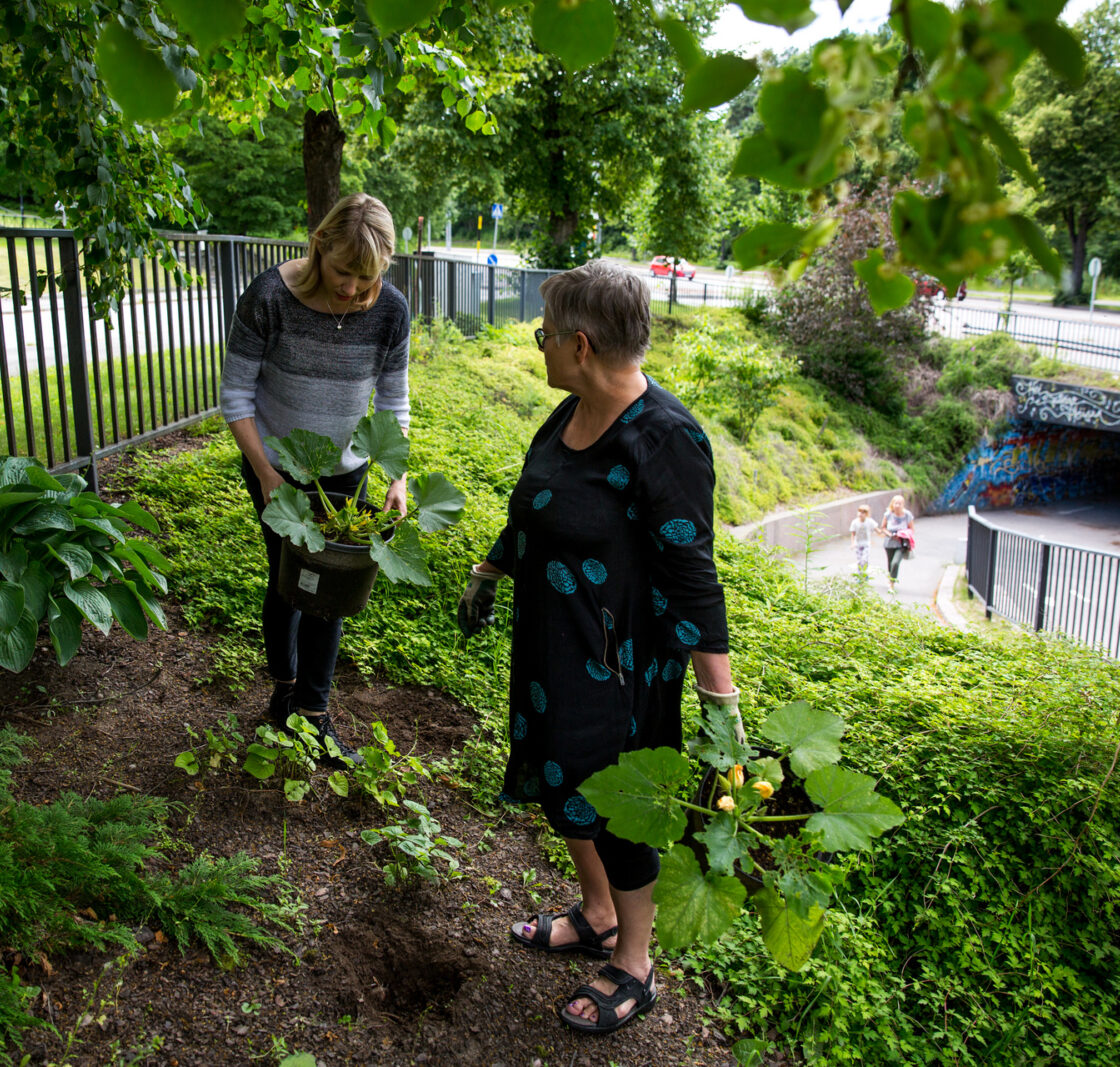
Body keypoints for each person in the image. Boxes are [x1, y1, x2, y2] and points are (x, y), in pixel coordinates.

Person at [457, 260, 737, 1035]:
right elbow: (538, 506)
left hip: (619, 667)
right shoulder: (568, 412)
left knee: (619, 807)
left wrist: (720, 704)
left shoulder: (666, 439)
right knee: (557, 778)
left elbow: (693, 577)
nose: (540, 345)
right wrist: (490, 568)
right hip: (551, 646)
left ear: (580, 344)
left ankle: (635, 965)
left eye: (545, 334)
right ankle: (598, 912)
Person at [221, 193, 411, 765]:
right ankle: (284, 689)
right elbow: (236, 395)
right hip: (275, 469)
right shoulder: (269, 297)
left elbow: (394, 400)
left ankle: (313, 714)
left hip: (346, 476)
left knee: (332, 590)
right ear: (320, 244)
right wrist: (266, 473)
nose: (352, 288)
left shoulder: (391, 310)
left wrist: (397, 477)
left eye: (367, 276)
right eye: (343, 271)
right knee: (289, 580)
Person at [878, 494, 915, 593]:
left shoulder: (907, 515)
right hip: (889, 542)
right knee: (890, 563)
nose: (897, 505)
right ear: (892, 504)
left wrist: (903, 534)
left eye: (900, 503)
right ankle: (890, 578)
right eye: (896, 503)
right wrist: (890, 534)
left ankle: (892, 583)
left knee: (895, 562)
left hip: (901, 543)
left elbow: (912, 529)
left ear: (903, 504)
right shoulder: (888, 514)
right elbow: (883, 528)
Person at [848, 503, 875, 578]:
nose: (861, 514)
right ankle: (860, 575)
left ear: (866, 514)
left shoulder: (869, 521)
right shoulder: (855, 522)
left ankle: (865, 573)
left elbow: (875, 527)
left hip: (866, 544)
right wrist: (852, 543)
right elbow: (853, 534)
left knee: (864, 559)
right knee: (859, 560)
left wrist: (881, 532)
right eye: (859, 512)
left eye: (863, 512)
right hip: (858, 544)